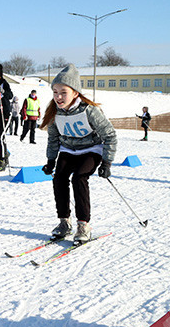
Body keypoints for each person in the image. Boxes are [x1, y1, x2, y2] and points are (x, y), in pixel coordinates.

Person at [40, 64, 117, 243]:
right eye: (55, 92)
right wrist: (51, 160)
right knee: (59, 177)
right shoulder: (54, 112)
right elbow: (53, 139)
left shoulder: (89, 110)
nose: (58, 97)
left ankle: (83, 224)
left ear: (75, 92)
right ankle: (64, 222)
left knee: (79, 178)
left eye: (63, 92)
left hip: (91, 150)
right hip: (68, 150)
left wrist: (107, 162)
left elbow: (110, 135)